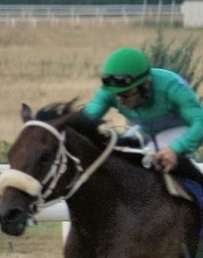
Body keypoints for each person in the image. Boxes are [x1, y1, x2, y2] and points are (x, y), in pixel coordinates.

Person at [83, 46, 203, 181]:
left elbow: (200, 122)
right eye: (115, 94)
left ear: (145, 85)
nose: (120, 100)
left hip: (184, 129)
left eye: (127, 93)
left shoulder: (172, 86)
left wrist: (176, 149)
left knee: (154, 154)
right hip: (146, 130)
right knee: (118, 153)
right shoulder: (111, 90)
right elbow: (86, 119)